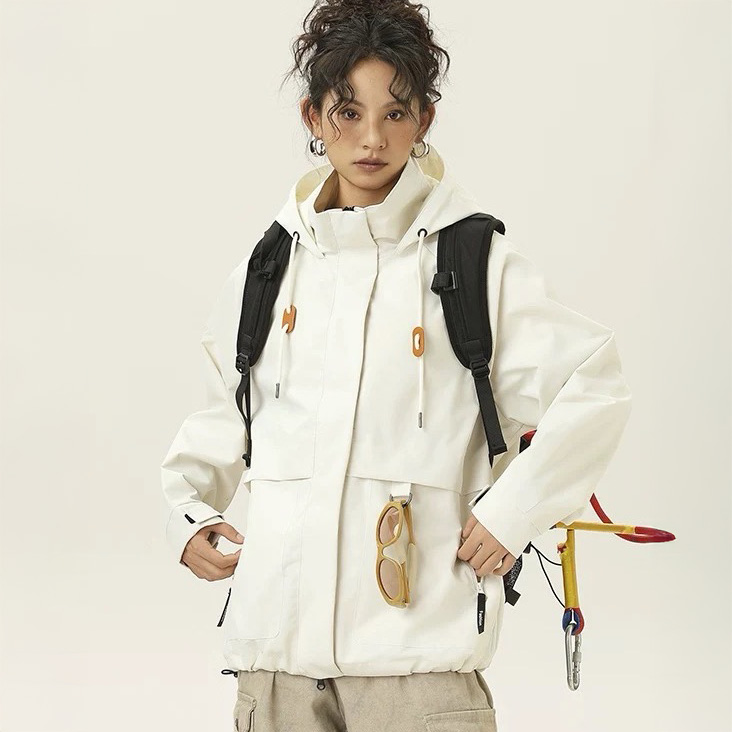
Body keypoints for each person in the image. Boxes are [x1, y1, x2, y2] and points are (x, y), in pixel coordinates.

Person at [160, 1, 633, 729]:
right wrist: (187, 516)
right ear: (314, 117)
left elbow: (594, 383)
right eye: (348, 113)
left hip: (420, 674)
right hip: (276, 670)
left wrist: (514, 512)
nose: (372, 139)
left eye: (395, 113)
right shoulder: (269, 268)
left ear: (425, 120)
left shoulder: (472, 263)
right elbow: (223, 414)